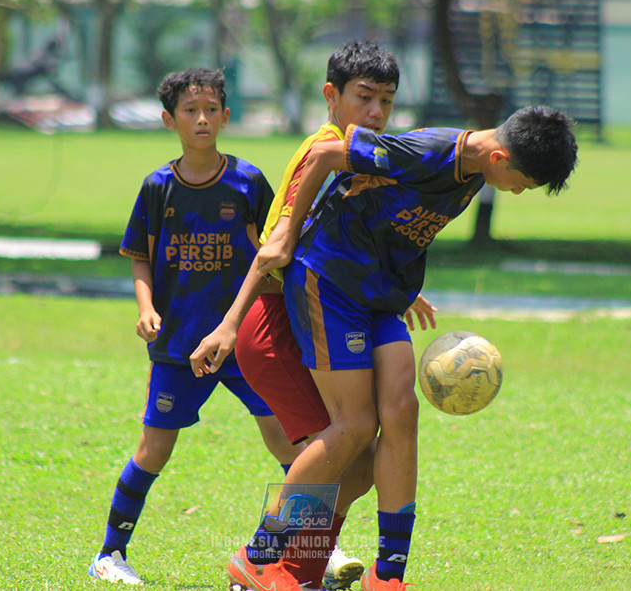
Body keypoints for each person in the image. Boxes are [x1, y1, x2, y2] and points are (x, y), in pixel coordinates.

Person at [203, 105, 579, 591]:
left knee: (402, 409)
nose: (518, 191)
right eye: (523, 183)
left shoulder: (476, 170)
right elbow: (322, 155)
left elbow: (394, 215)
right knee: (356, 427)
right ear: (501, 156)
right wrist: (287, 235)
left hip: (380, 293)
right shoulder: (430, 151)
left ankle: (387, 575)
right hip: (330, 280)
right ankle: (259, 555)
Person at [192, 41, 436, 591]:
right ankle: (259, 562)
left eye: (387, 101)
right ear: (332, 96)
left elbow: (348, 239)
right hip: (275, 322)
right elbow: (276, 247)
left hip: (315, 314)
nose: (375, 112)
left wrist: (397, 290)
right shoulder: (323, 151)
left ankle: (294, 572)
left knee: (356, 465)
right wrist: (230, 324)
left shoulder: (363, 154)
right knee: (349, 447)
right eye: (363, 97)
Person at [88, 68, 299, 586]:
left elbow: (276, 248)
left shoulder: (248, 182)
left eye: (210, 110)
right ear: (169, 120)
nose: (201, 119)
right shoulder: (158, 187)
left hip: (245, 340)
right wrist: (145, 308)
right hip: (179, 344)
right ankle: (110, 554)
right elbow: (140, 257)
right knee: (153, 450)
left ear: (226, 117)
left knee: (292, 444)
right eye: (189, 110)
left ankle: (311, 549)